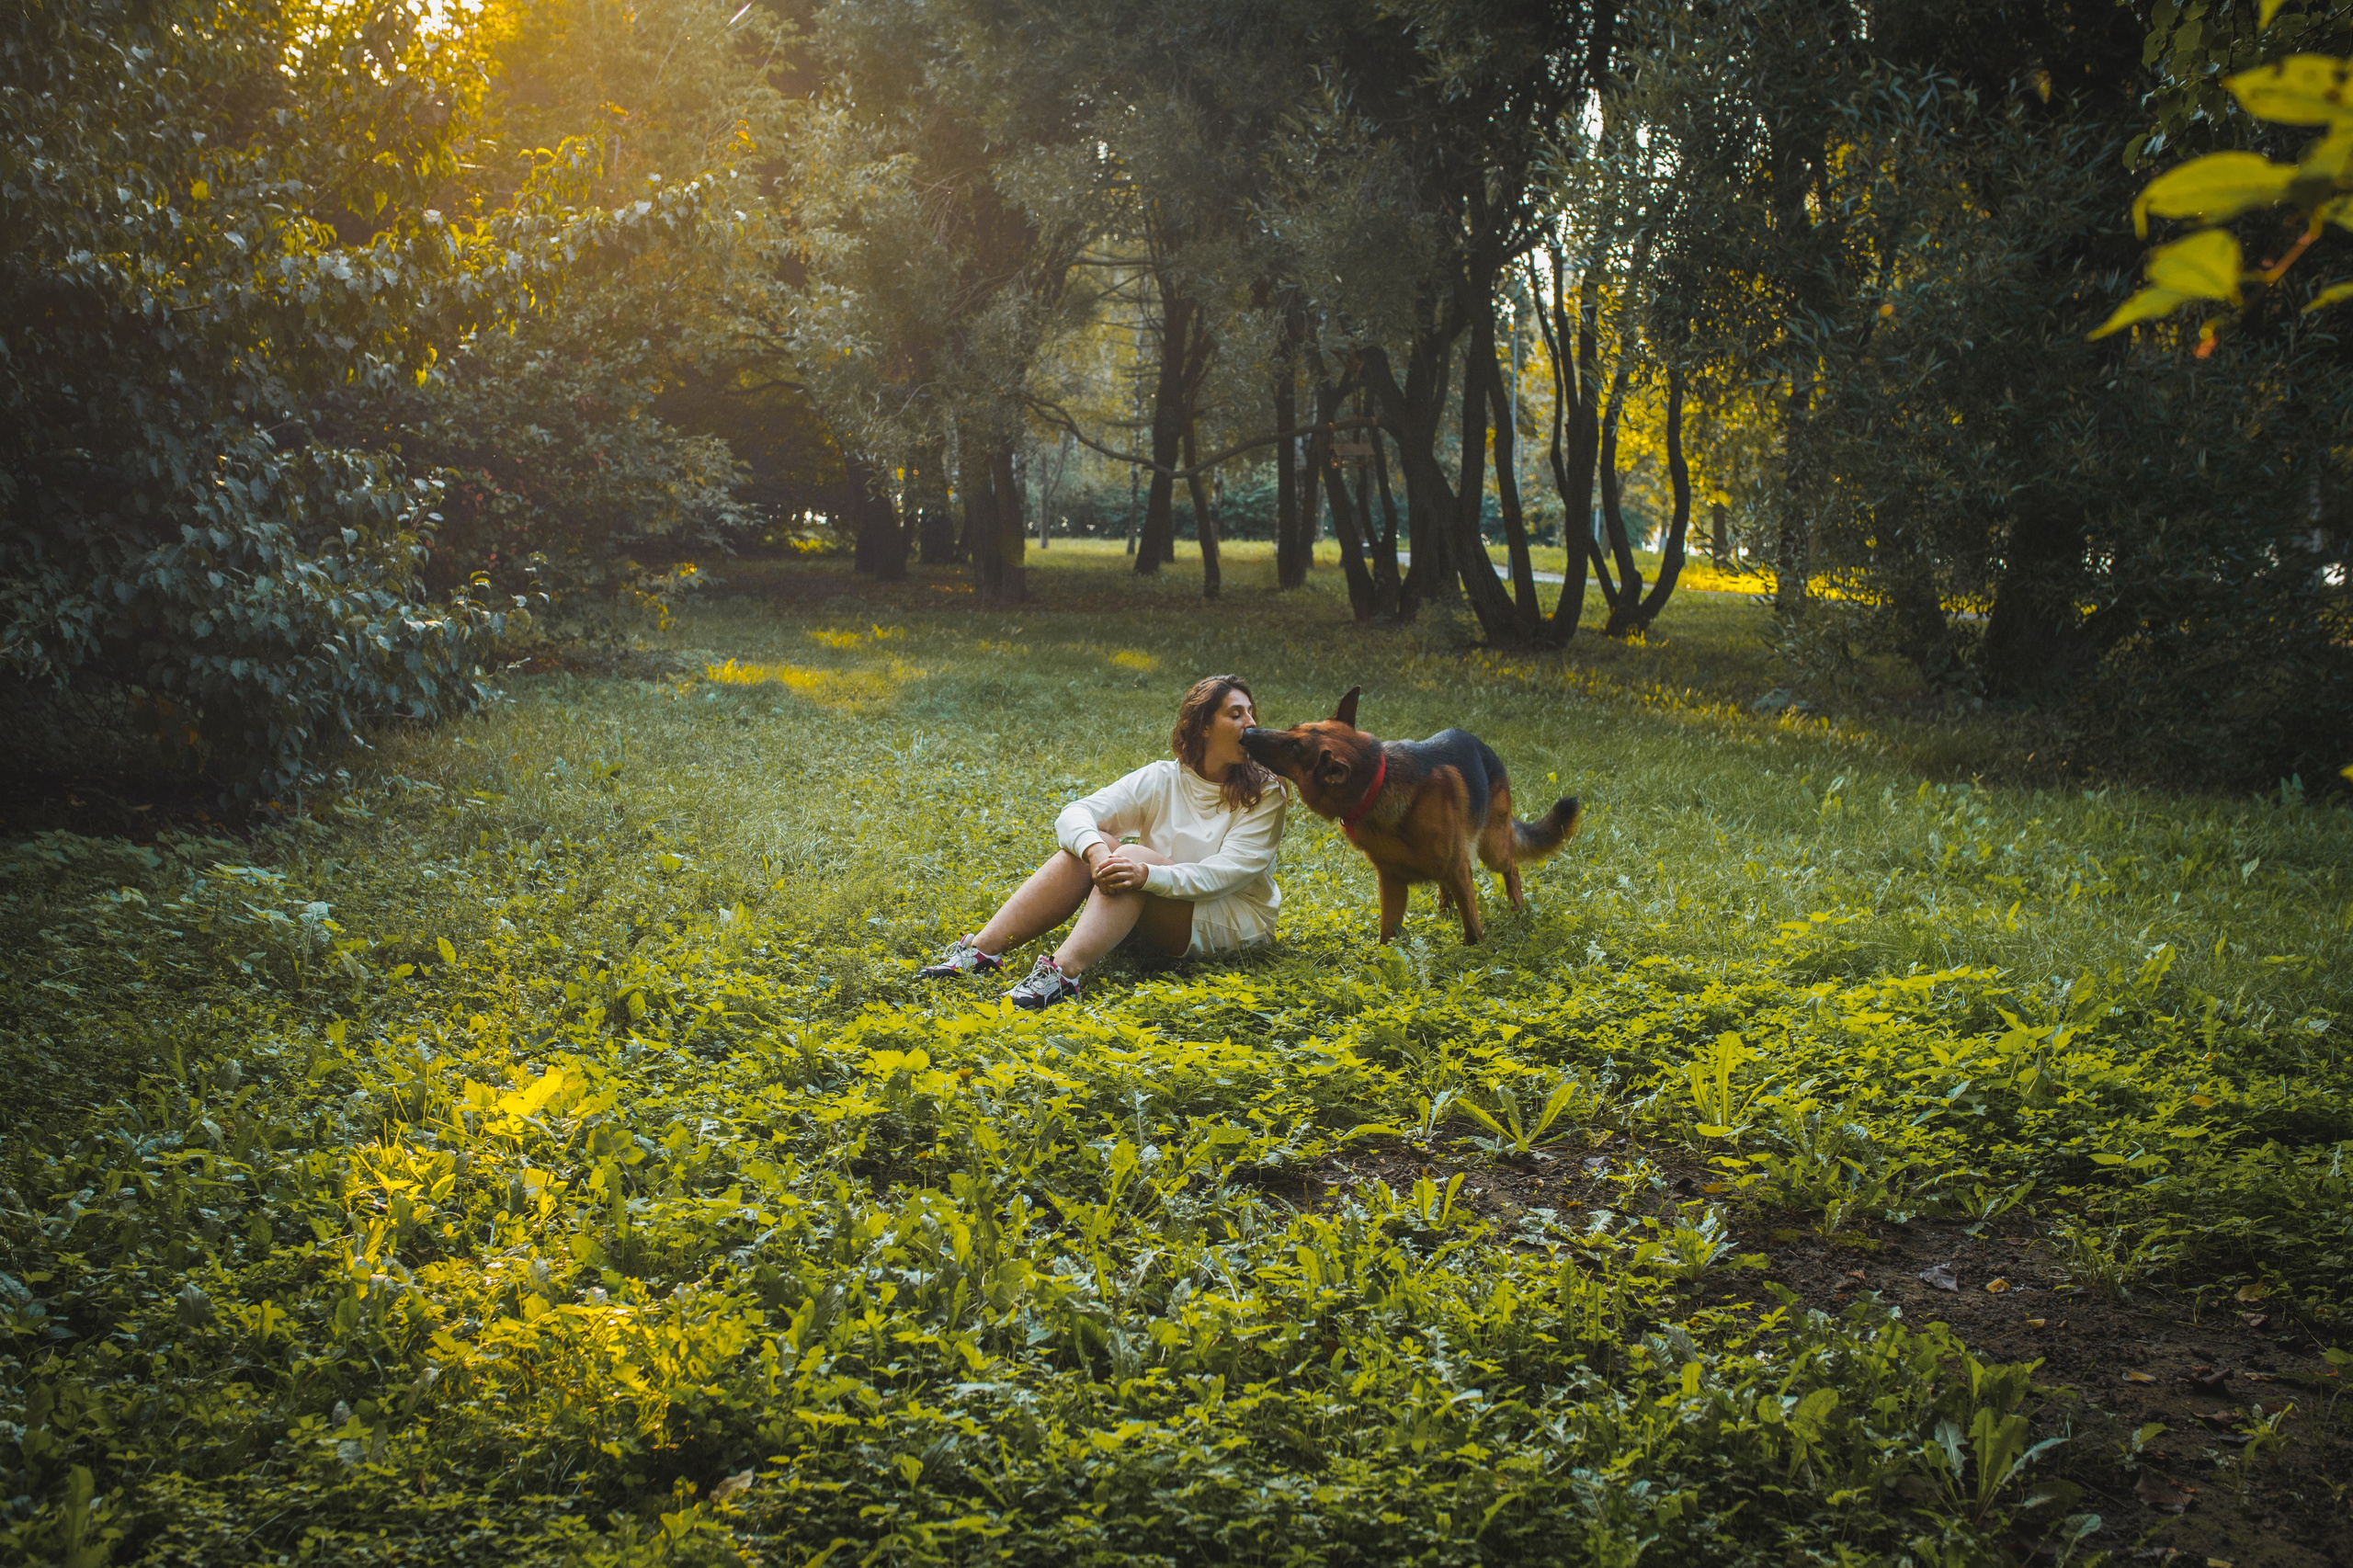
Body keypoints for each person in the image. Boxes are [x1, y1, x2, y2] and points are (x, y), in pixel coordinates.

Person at [918, 674, 1288, 1008]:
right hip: (1158, 898)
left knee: (1127, 854)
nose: (1251, 723)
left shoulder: (1266, 793)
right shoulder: (1163, 778)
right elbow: (1075, 814)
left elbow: (1226, 874)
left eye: (1251, 713)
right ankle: (983, 951)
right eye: (1236, 714)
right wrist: (1096, 853)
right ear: (1204, 726)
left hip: (1230, 917)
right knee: (1092, 845)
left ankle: (1063, 974)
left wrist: (1144, 874)